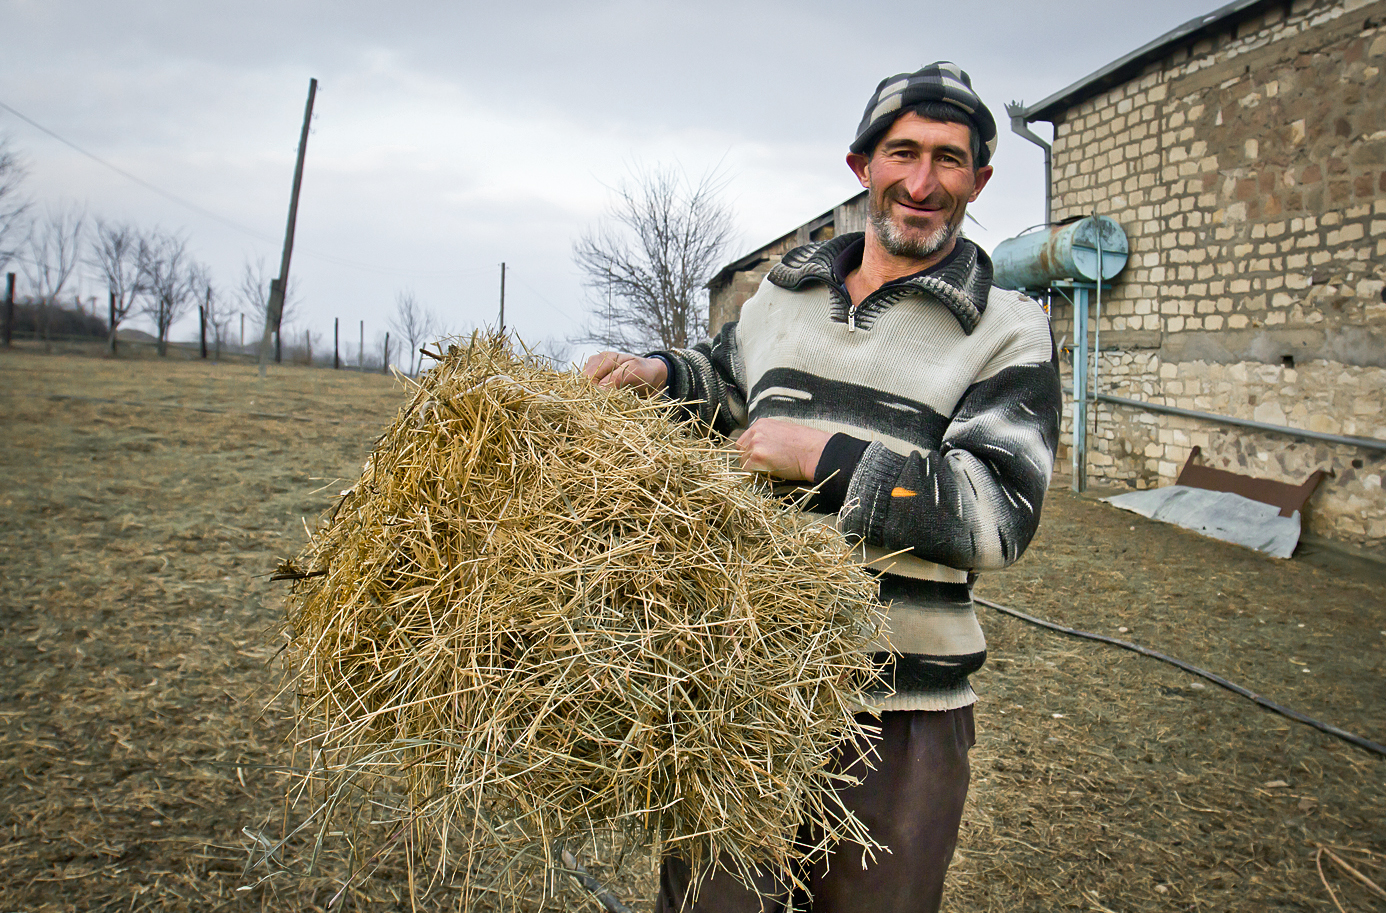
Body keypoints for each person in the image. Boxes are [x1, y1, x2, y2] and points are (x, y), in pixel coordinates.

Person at [583, 62, 1061, 913]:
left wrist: (826, 456)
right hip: (741, 691)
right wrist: (656, 374)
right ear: (861, 167)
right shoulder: (787, 291)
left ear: (980, 180)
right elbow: (729, 382)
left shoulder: (1007, 330)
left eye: (950, 160)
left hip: (898, 715)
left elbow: (998, 515)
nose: (923, 183)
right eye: (902, 152)